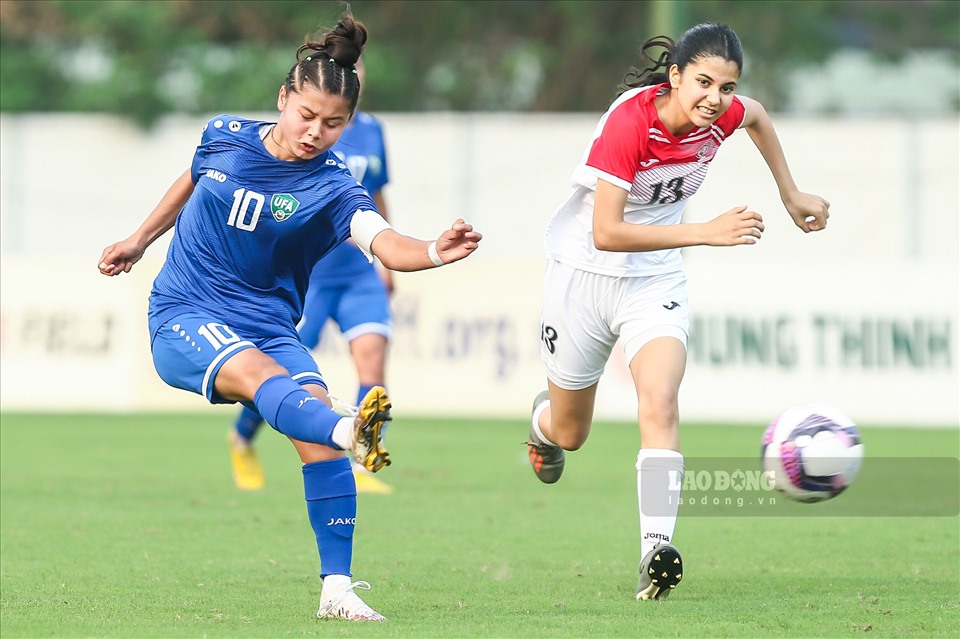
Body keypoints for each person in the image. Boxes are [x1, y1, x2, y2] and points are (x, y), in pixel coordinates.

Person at [98, 11, 481, 622]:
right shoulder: (224, 132)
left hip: (269, 325)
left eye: (333, 124)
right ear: (284, 97)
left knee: (317, 447)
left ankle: (337, 590)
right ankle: (343, 428)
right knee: (271, 386)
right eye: (306, 115)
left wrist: (436, 249)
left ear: (348, 125)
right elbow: (192, 179)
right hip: (185, 313)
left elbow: (385, 242)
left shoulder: (333, 185)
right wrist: (139, 239)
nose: (314, 133)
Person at [525, 23, 829, 601]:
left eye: (726, 87)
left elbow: (759, 117)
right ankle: (542, 428)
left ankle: (653, 551)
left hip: (655, 280)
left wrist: (791, 194)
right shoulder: (630, 123)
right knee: (571, 430)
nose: (715, 98)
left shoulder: (726, 116)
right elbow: (607, 231)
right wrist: (706, 233)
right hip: (583, 275)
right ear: (675, 77)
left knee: (660, 401)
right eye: (704, 82)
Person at [229, 56, 396, 496]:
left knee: (373, 361)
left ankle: (361, 462)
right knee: (278, 372)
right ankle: (242, 437)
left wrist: (387, 255)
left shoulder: (372, 130)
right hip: (313, 274)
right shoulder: (300, 132)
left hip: (360, 271)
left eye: (358, 68)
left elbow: (375, 194)